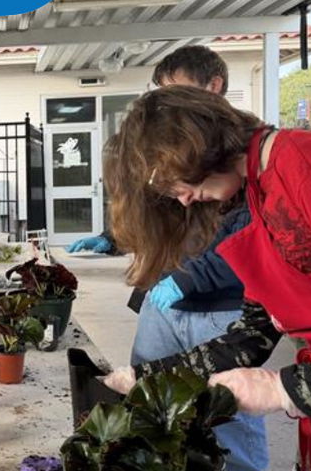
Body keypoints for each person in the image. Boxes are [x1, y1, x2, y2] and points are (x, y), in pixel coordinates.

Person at [102, 86, 311, 471]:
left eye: (171, 182)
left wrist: (286, 389)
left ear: (192, 145)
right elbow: (253, 333)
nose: (182, 200)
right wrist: (146, 377)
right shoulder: (260, 188)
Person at [68, 46, 268, 471]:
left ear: (212, 88)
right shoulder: (186, 160)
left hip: (219, 309)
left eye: (171, 92)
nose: (163, 106)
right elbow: (160, 214)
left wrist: (189, 280)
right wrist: (115, 239)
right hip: (166, 301)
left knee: (227, 419)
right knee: (151, 410)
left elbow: (248, 247)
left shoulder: (245, 171)